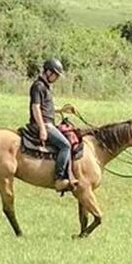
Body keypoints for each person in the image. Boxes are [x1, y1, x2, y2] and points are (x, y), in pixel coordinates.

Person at [29, 59, 75, 191]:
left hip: (48, 124)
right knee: (65, 145)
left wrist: (61, 110)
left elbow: (46, 107)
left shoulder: (45, 86)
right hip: (43, 125)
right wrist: (42, 128)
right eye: (55, 75)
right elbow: (36, 108)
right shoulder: (38, 86)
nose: (56, 78)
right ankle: (59, 178)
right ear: (48, 71)